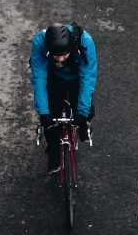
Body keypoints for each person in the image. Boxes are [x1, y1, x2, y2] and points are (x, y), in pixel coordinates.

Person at [30, 23, 97, 174]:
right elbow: (39, 78)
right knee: (51, 114)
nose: (60, 59)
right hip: (53, 75)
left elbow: (87, 78)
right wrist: (44, 112)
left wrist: (82, 112)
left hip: (77, 75)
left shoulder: (85, 42)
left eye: (64, 55)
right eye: (56, 55)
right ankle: (54, 154)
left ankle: (83, 126)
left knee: (83, 106)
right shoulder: (39, 43)